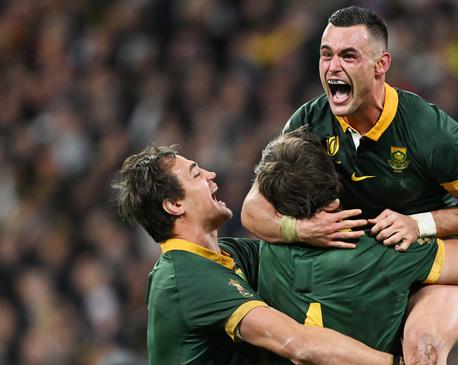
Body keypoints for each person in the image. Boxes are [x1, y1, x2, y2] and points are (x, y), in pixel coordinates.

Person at [241, 6, 458, 365]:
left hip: (431, 254)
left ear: (380, 65)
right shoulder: (310, 120)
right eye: (326, 55)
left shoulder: (428, 131)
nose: (333, 66)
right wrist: (303, 228)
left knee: (423, 352)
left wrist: (419, 224)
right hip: (365, 258)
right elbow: (253, 210)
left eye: (348, 55)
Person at [112, 145, 398, 365]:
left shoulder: (228, 255)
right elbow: (298, 344)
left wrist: (303, 228)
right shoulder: (184, 278)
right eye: (196, 174)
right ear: (174, 204)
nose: (211, 175)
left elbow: (301, 262)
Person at [253, 129, 458, 354]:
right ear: (334, 201)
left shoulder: (264, 252)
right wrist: (443, 203)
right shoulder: (387, 251)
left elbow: (253, 214)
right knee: (453, 291)